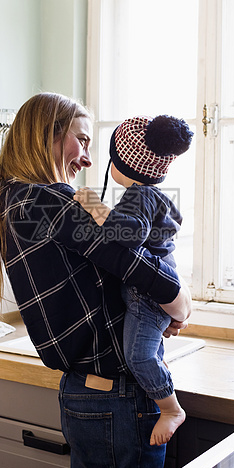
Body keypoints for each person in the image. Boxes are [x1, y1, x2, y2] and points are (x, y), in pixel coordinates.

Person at [0, 93, 191, 468]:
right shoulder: (41, 200)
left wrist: (152, 313)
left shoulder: (23, 198)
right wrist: (180, 303)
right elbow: (126, 256)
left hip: (89, 393)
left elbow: (109, 240)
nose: (89, 158)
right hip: (115, 397)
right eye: (83, 140)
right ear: (49, 134)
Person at [73, 114, 193, 447]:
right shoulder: (148, 196)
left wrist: (92, 205)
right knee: (149, 352)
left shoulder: (140, 197)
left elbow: (127, 234)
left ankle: (171, 409)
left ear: (125, 163)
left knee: (139, 357)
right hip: (152, 294)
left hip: (146, 297)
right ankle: (162, 387)